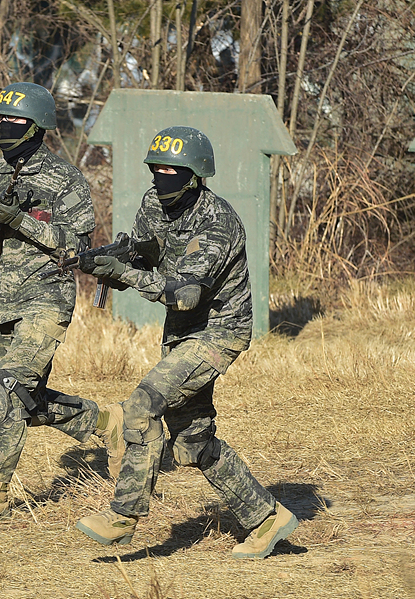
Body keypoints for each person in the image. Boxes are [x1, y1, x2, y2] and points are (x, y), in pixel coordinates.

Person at [74, 126, 298, 559]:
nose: (162, 178)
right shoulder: (153, 204)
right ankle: (268, 518)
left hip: (219, 331)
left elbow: (184, 294)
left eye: (173, 170)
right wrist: (109, 262)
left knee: (142, 404)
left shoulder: (219, 222)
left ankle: (122, 517)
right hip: (181, 332)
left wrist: (122, 275)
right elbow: (143, 254)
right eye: (156, 169)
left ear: (196, 175)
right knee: (192, 441)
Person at [0, 82, 125, 522]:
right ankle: (104, 423)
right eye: (0, 121)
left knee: (5, 390)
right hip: (6, 302)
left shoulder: (66, 180)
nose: (5, 128)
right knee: (24, 402)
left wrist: (21, 222)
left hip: (48, 297)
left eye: (14, 121)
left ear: (37, 126)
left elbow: (76, 247)